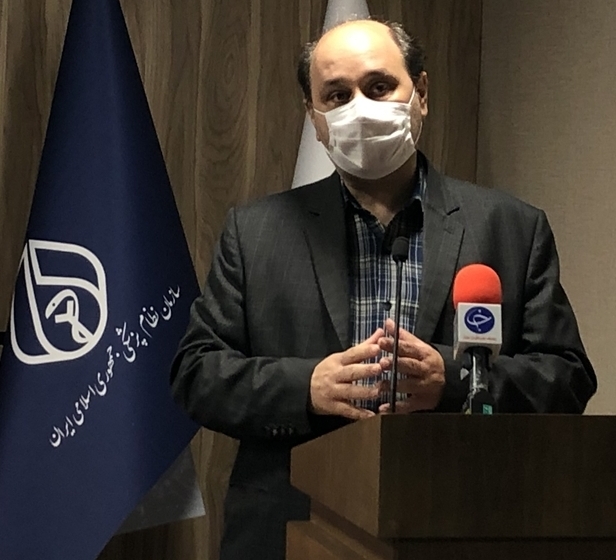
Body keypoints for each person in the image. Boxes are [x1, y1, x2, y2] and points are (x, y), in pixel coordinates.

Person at [170, 19, 597, 560]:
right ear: (314, 119)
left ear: (421, 94)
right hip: (290, 530)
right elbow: (196, 374)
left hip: (460, 525)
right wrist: (308, 386)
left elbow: (567, 377)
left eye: (379, 87)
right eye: (336, 95)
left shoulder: (511, 227)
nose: (360, 108)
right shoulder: (255, 233)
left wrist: (454, 381)